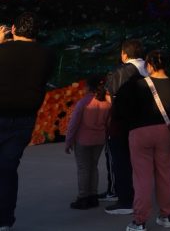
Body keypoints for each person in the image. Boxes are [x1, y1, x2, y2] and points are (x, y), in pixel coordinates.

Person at [115, 50, 170, 231]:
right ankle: (166, 216)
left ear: (150, 65)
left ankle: (140, 220)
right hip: (165, 132)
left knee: (142, 178)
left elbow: (122, 108)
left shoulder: (137, 85)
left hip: (140, 133)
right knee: (165, 175)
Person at [0, 12, 56, 229]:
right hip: (25, 119)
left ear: (13, 29)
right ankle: (5, 220)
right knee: (7, 168)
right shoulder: (47, 54)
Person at [105, 39, 148, 216]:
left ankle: (125, 199)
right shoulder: (150, 68)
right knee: (141, 163)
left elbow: (110, 98)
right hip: (146, 122)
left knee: (121, 161)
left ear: (124, 54)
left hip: (122, 124)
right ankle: (141, 197)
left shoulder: (119, 72)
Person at [65, 74, 112, 210]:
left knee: (83, 168)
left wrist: (68, 141)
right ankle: (93, 196)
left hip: (83, 140)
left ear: (89, 87)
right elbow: (108, 123)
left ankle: (83, 197)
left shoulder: (84, 102)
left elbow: (73, 124)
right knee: (93, 167)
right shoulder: (107, 103)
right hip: (99, 139)